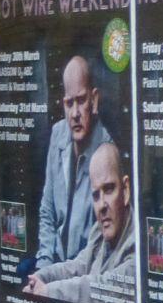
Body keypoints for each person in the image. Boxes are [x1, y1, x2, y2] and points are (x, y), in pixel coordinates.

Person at [23, 142, 135, 303]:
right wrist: (41, 277)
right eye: (96, 195)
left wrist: (48, 292)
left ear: (125, 190)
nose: (102, 205)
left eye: (109, 189)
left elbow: (108, 289)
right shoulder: (100, 231)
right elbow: (78, 266)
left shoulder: (139, 244)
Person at [35, 56, 113, 266]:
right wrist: (44, 263)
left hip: (84, 270)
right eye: (70, 103)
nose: (75, 113)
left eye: (81, 100)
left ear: (94, 100)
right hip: (54, 263)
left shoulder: (106, 151)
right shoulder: (57, 134)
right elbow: (47, 210)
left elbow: (101, 243)